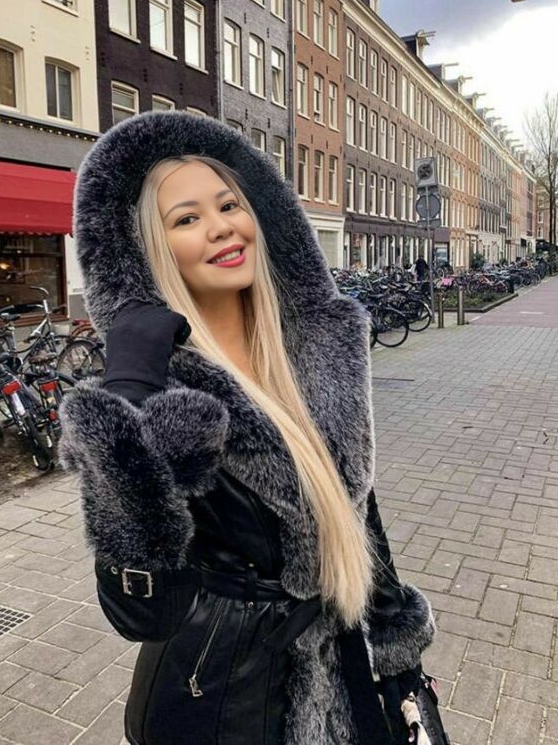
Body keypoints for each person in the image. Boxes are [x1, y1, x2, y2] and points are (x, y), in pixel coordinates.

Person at [58, 111, 435, 745]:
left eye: (229, 204)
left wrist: (398, 647)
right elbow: (141, 613)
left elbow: (356, 511)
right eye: (186, 219)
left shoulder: (315, 351)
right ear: (151, 250)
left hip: (342, 670)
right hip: (222, 697)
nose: (221, 227)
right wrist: (126, 403)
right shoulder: (163, 394)